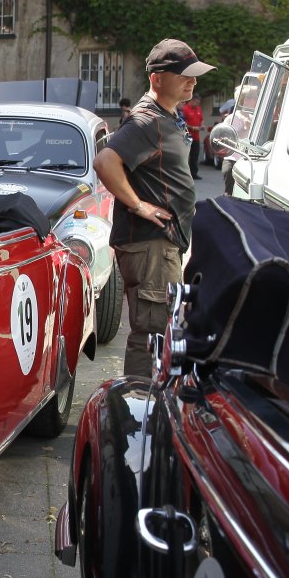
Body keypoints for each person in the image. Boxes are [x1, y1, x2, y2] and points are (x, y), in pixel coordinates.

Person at [94, 38, 212, 376]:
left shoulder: (167, 116)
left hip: (160, 245)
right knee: (152, 333)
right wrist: (139, 206)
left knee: (161, 331)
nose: (193, 81)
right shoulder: (147, 120)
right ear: (156, 79)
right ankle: (140, 402)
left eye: (195, 75)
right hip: (151, 246)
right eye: (184, 75)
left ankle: (149, 398)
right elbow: (105, 162)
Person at [182, 94, 205, 176]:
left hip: (196, 137)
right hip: (187, 135)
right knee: (186, 155)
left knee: (195, 155)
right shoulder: (185, 109)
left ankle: (194, 173)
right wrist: (192, 127)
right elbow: (182, 122)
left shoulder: (198, 109)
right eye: (195, 102)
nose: (197, 104)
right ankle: (185, 173)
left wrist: (202, 125)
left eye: (198, 103)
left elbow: (201, 119)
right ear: (191, 100)